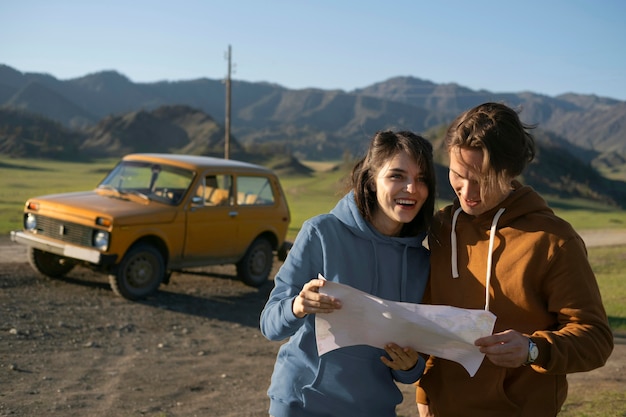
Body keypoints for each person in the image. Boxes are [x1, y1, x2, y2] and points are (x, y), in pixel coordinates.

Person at [416, 102, 614, 417]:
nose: (468, 192)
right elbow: (431, 317)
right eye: (458, 175)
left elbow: (596, 339)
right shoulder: (441, 227)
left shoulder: (554, 240)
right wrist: (425, 394)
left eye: (482, 179)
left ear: (511, 173)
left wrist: (532, 349)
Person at [260, 130, 437, 417]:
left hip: (373, 409)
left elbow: (411, 369)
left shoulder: (421, 262)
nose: (411, 188)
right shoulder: (321, 233)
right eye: (397, 176)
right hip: (302, 404)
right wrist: (297, 306)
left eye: (421, 179)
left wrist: (409, 366)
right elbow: (270, 324)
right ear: (371, 181)